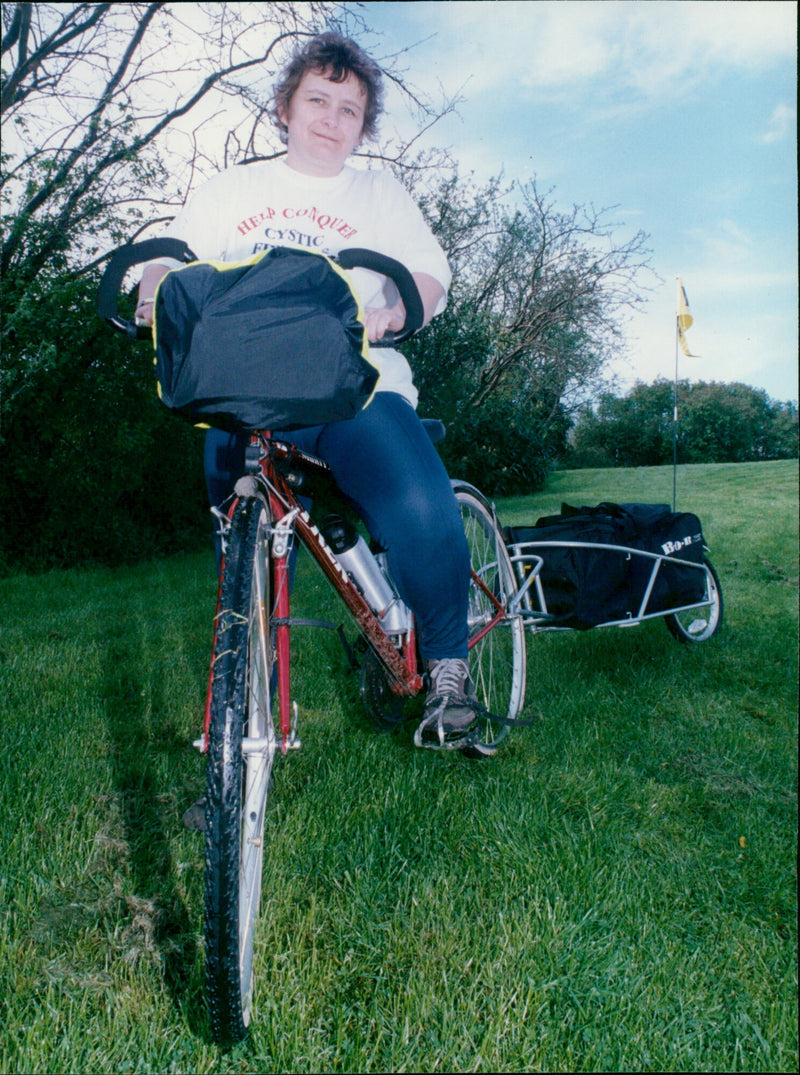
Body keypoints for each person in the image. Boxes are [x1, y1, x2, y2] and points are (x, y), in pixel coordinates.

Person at [137, 32, 479, 751]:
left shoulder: (378, 194)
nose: (331, 117)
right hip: (240, 391)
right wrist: (151, 296)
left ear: (363, 126)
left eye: (349, 109)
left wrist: (394, 310)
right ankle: (237, 731)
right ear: (286, 107)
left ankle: (448, 663)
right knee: (239, 544)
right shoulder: (234, 190)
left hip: (351, 388)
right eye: (317, 100)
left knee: (421, 505)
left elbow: (427, 275)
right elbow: (172, 259)